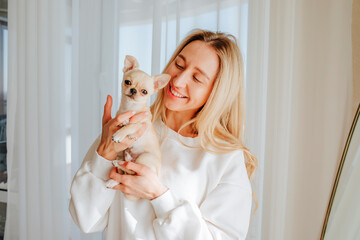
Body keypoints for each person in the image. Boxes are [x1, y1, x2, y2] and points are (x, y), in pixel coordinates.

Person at [69, 29, 258, 240]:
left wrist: (159, 196)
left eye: (196, 78)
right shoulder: (127, 128)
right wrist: (104, 154)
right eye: (179, 65)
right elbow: (85, 219)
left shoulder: (225, 157)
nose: (177, 82)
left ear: (216, 91)